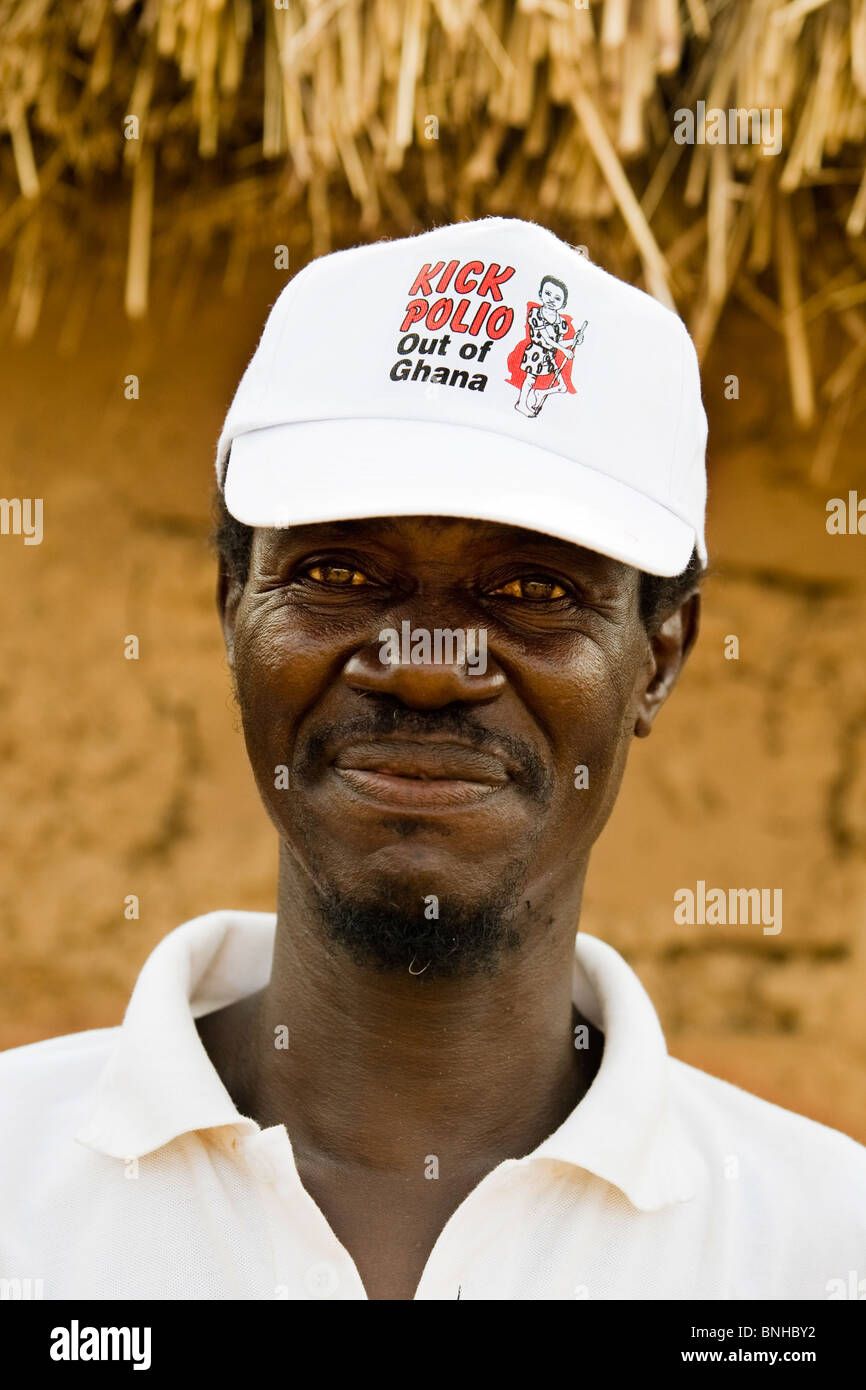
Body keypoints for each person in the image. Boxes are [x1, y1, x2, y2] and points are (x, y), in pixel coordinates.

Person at [1, 216, 864, 1302]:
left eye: (532, 591)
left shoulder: (819, 1257)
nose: (423, 665)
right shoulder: (14, 1202)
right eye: (338, 571)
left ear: (658, 654)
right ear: (232, 610)